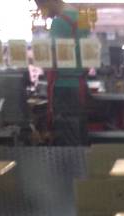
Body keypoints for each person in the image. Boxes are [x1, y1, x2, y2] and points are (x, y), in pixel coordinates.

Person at [35, 0, 89, 145]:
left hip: (64, 87)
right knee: (79, 133)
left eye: (42, 7)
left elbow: (52, 58)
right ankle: (82, 160)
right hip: (80, 86)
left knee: (67, 138)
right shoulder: (82, 18)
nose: (42, 12)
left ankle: (72, 161)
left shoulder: (59, 22)